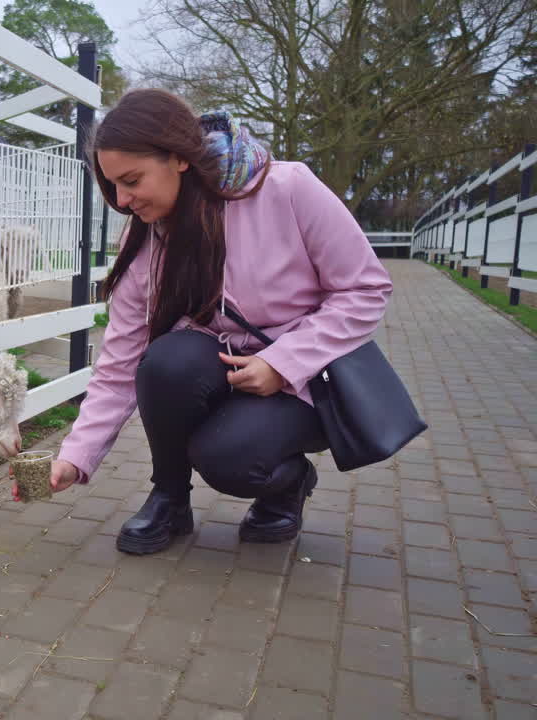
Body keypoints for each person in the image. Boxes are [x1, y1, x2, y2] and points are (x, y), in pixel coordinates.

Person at [23, 89, 392, 555]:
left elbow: (365, 289)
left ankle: (288, 484)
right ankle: (170, 498)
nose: (121, 200)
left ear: (178, 158)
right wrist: (74, 459)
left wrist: (282, 363)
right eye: (112, 185)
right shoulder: (146, 238)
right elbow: (119, 363)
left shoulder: (288, 188)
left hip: (304, 379)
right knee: (164, 362)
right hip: (221, 367)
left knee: (228, 459)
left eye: (131, 180)